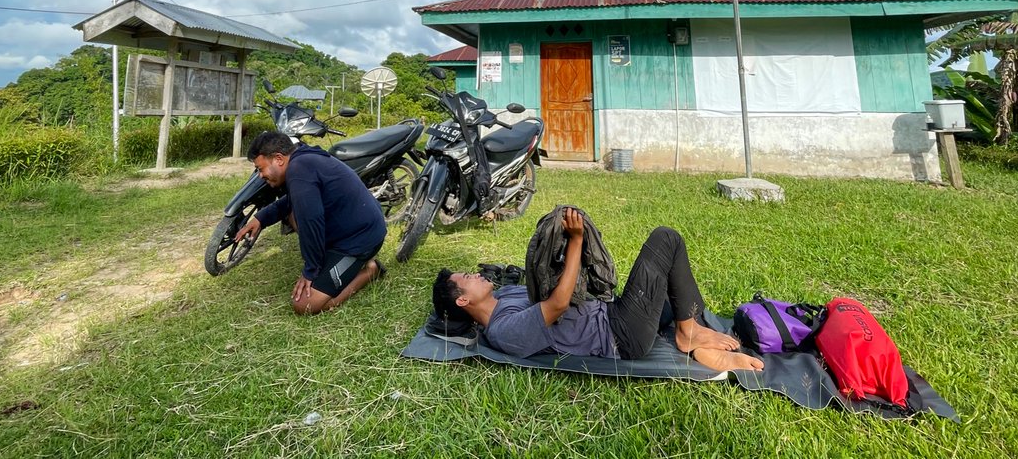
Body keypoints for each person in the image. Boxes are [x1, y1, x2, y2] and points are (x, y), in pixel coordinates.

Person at [432, 208, 765, 372]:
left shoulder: (504, 296)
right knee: (666, 239)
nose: (475, 274)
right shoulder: (504, 331)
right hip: (620, 335)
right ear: (462, 299)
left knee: (669, 286)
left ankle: (692, 338)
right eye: (467, 277)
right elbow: (558, 303)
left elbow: (543, 280)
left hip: (613, 311)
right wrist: (576, 241)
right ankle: (688, 334)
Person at [235, 130, 387, 315]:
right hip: (349, 227)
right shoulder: (301, 160)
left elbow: (311, 221)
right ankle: (327, 259)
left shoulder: (299, 170)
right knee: (293, 213)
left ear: (279, 159)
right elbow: (291, 201)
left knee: (305, 304)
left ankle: (371, 271)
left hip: (360, 239)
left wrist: (311, 270)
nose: (260, 175)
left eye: (261, 169)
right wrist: (261, 218)